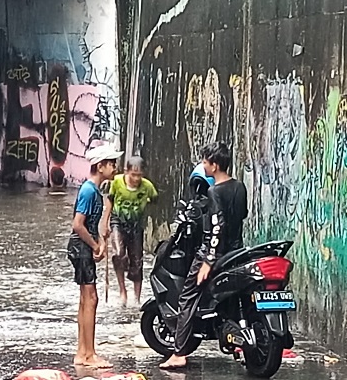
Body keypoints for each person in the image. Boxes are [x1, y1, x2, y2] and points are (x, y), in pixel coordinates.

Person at [160, 141, 248, 369]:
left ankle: (179, 353)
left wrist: (208, 261)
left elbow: (216, 229)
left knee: (187, 297)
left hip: (214, 254)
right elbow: (241, 216)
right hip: (237, 251)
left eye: (205, 162)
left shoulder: (213, 191)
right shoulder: (240, 187)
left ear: (215, 165)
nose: (203, 166)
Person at [67, 143, 123, 368]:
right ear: (100, 166)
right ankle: (88, 355)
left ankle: (82, 351)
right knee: (91, 299)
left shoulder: (93, 190)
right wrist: (94, 245)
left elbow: (89, 224)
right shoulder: (89, 190)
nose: (115, 168)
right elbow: (78, 225)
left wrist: (99, 241)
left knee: (86, 299)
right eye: (112, 164)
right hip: (81, 248)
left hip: (83, 247)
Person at [101, 156, 158, 308]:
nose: (136, 178)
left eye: (139, 175)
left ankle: (137, 298)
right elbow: (110, 203)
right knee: (119, 254)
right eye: (133, 175)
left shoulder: (147, 187)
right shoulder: (117, 183)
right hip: (117, 222)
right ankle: (122, 292)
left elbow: (154, 200)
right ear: (126, 172)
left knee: (137, 261)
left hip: (136, 226)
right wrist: (104, 223)